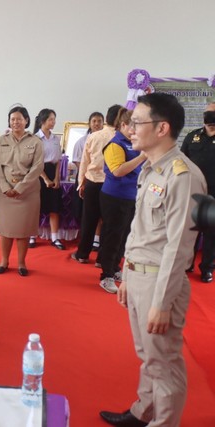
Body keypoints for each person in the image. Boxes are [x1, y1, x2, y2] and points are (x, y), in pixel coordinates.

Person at [100, 93, 206, 427]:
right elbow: (140, 230)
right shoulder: (151, 167)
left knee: (164, 362)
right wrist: (126, 275)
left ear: (162, 128)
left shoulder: (182, 175)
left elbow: (179, 248)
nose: (130, 129)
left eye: (137, 122)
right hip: (139, 276)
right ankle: (142, 412)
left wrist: (161, 302)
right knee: (147, 355)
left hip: (160, 281)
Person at [97, 110, 146, 294]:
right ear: (123, 125)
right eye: (132, 126)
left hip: (131, 196)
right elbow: (117, 171)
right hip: (115, 196)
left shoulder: (134, 143)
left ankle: (115, 267)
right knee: (113, 235)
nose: (135, 130)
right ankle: (106, 275)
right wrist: (142, 157)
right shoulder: (115, 144)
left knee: (125, 235)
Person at [0, 106, 43, 276]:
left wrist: (20, 188)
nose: (15, 122)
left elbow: (37, 168)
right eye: (12, 119)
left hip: (27, 192)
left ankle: (21, 262)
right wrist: (5, 187)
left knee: (23, 230)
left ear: (26, 120)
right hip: (5, 191)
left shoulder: (35, 142)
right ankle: (4, 261)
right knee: (5, 229)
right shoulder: (1, 141)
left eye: (19, 119)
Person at [71, 104, 122, 264]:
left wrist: (81, 183)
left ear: (106, 118)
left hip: (93, 182)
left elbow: (84, 162)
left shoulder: (94, 136)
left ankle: (82, 254)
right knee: (109, 222)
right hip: (113, 185)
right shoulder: (122, 137)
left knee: (89, 219)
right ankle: (102, 258)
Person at [180, 102, 215, 283]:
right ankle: (187, 263)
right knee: (190, 231)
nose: (211, 117)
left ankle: (207, 268)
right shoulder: (193, 136)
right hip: (192, 192)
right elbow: (181, 161)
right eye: (208, 113)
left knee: (211, 234)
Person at [32, 108, 64, 250]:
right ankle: (32, 236)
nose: (53, 122)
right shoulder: (35, 138)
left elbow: (57, 161)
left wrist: (56, 178)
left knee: (54, 207)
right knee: (36, 207)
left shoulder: (56, 139)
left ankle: (55, 238)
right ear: (43, 120)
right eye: (51, 119)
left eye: (54, 119)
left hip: (53, 172)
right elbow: (35, 162)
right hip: (38, 174)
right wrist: (45, 178)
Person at [71, 112, 104, 222]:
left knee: (99, 209)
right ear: (89, 124)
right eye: (94, 121)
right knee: (83, 209)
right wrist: (86, 173)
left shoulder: (107, 140)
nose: (97, 124)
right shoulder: (81, 141)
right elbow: (77, 161)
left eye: (99, 121)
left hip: (101, 178)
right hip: (84, 177)